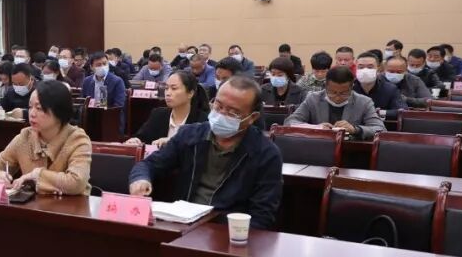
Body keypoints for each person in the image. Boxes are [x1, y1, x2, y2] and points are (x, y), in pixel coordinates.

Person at [128, 75, 283, 229]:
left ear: (252, 117)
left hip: (226, 230)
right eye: (218, 106)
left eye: (233, 112)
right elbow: (149, 164)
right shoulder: (190, 134)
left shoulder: (265, 153)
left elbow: (262, 215)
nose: (222, 114)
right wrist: (140, 179)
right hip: (183, 224)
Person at [0, 80, 92, 196]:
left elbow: (76, 182)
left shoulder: (77, 139)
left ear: (59, 111)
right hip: (34, 205)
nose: (32, 114)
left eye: (39, 108)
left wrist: (37, 175)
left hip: (71, 206)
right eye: (30, 107)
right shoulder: (25, 137)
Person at [284, 66, 386, 140]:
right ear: (325, 86)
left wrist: (355, 129)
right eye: (332, 92)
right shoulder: (313, 99)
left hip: (350, 151)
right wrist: (316, 128)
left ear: (352, 87)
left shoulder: (364, 102)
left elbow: (381, 129)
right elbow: (290, 122)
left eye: (343, 93)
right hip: (318, 148)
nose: (337, 97)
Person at [125, 70, 209, 149]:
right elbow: (142, 137)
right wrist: (136, 140)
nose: (168, 93)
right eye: (166, 88)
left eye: (174, 88)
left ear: (190, 93)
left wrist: (172, 141)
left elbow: (200, 148)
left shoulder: (201, 120)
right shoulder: (158, 114)